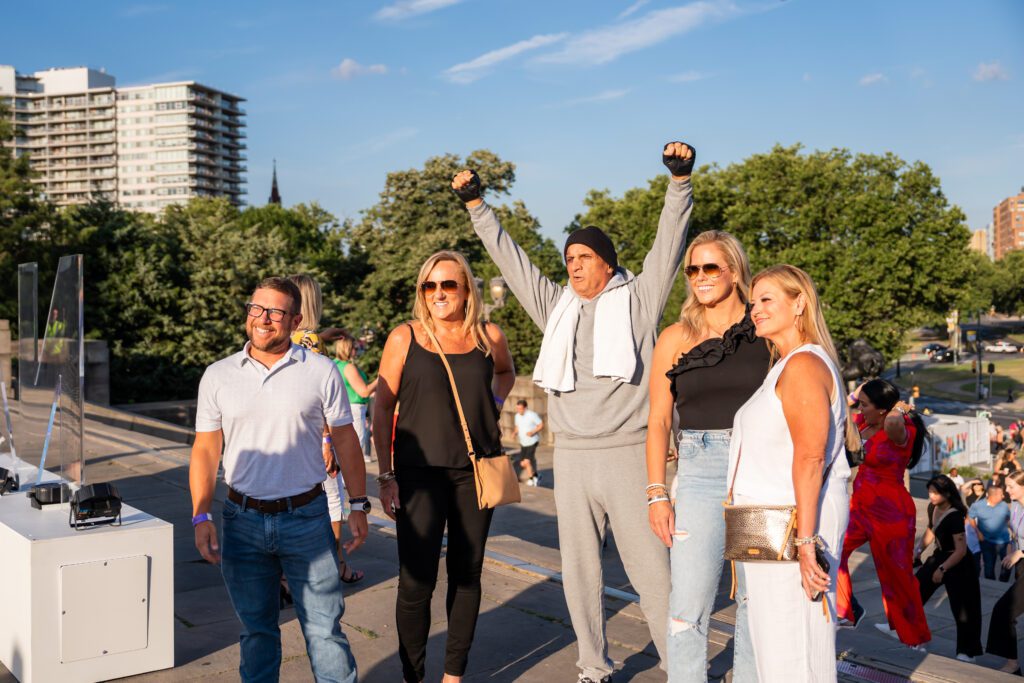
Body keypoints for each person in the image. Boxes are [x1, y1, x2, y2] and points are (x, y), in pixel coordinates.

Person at [453, 141, 696, 682]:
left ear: (607, 264)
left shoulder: (639, 299)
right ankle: (593, 665)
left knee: (651, 573)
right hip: (574, 457)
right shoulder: (555, 308)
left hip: (630, 454)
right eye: (568, 260)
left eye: (583, 258)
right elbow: (512, 263)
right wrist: (477, 208)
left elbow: (667, 246)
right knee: (579, 573)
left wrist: (679, 182)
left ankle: (682, 668)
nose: (573, 267)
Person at [189, 276, 368, 682]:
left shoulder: (320, 371)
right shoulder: (219, 375)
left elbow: (345, 438)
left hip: (306, 518)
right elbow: (204, 450)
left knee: (325, 632)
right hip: (241, 520)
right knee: (256, 633)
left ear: (295, 319)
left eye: (274, 311)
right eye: (256, 308)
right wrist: (201, 516)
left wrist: (358, 504)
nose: (263, 319)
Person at [373, 251, 515, 683]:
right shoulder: (405, 337)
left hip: (475, 473)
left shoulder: (488, 336)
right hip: (418, 474)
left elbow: (506, 373)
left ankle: (454, 674)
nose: (438, 293)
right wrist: (385, 475)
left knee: (467, 574)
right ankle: (413, 675)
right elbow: (382, 408)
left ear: (466, 288)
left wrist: (491, 402)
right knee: (416, 581)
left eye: (448, 284)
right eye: (429, 286)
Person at [646, 230, 768, 682]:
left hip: (759, 473)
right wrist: (657, 494)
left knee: (756, 603)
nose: (699, 277)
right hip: (698, 472)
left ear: (734, 272)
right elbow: (658, 421)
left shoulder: (765, 332)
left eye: (710, 267)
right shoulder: (675, 337)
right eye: (692, 269)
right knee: (687, 604)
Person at [727, 265, 855, 681]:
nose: (755, 310)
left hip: (792, 525)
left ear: (799, 301)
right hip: (770, 525)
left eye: (767, 299)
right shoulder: (785, 365)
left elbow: (811, 458)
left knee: (795, 649)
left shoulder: (802, 365)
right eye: (752, 302)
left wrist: (804, 543)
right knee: (777, 646)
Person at [834, 379, 931, 647]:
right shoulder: (865, 423)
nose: (861, 408)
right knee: (833, 552)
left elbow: (892, 423)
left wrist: (899, 409)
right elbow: (838, 409)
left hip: (892, 513)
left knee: (897, 574)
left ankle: (912, 635)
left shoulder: (901, 428)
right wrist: (856, 394)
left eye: (866, 404)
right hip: (861, 507)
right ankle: (846, 611)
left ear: (881, 409)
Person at [290, 274, 364, 585]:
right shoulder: (312, 341)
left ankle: (286, 575)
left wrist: (330, 333)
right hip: (315, 435)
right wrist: (325, 441)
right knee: (332, 498)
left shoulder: (286, 336)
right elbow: (317, 394)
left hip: (288, 437)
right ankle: (337, 564)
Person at [914, 475, 983, 662]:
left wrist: (942, 569)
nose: (931, 496)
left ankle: (967, 652)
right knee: (915, 591)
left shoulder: (955, 515)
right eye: (929, 492)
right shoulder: (932, 507)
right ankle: (915, 637)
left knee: (963, 608)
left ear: (947, 493)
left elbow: (960, 550)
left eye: (935, 493)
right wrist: (918, 550)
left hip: (959, 562)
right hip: (940, 554)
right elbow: (931, 529)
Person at [986, 470, 1024, 674]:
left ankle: (1012, 663)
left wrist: (1021, 552)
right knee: (1006, 611)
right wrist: (1012, 548)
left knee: (1004, 610)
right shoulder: (1016, 506)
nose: (1006, 490)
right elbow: (1015, 533)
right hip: (1021, 567)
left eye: (1011, 486)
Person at [334, 332, 378, 464]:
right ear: (348, 348)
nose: (357, 350)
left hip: (340, 408)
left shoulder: (334, 364)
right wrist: (380, 379)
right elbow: (364, 392)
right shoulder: (348, 367)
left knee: (342, 448)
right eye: (355, 348)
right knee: (355, 447)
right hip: (354, 409)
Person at [969, 483, 1012, 581]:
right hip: (986, 542)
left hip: (1003, 541)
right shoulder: (977, 506)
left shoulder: (1004, 505)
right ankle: (992, 587)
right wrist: (977, 532)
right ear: (993, 495)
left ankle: (1002, 584)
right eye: (1001, 494)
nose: (1003, 496)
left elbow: (1008, 520)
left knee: (1007, 565)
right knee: (988, 568)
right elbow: (970, 518)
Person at [512, 399, 544, 486]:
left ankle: (531, 479)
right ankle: (537, 476)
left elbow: (541, 425)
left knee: (526, 462)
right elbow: (517, 426)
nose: (519, 411)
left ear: (525, 408)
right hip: (523, 442)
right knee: (523, 463)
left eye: (520, 409)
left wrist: (533, 432)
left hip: (532, 441)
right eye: (517, 409)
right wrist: (514, 432)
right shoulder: (517, 416)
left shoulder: (532, 415)